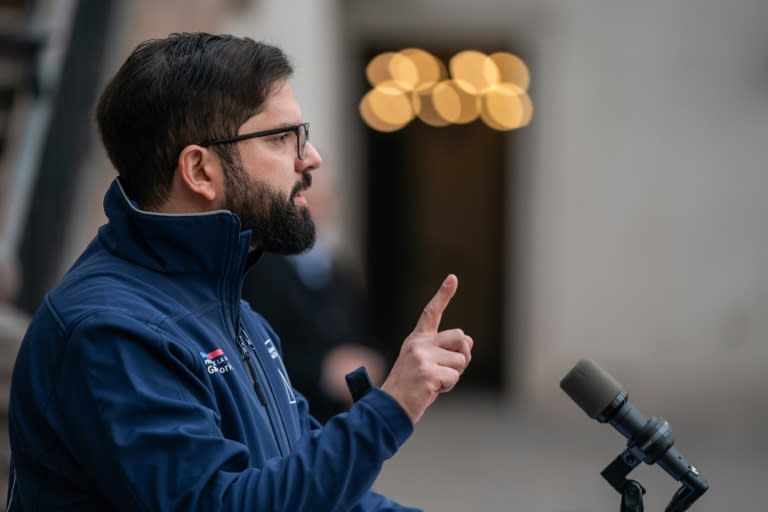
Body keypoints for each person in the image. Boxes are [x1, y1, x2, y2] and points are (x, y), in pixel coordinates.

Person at [6, 33, 473, 511]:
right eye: (278, 138)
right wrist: (391, 407)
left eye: (302, 135)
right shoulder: (110, 331)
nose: (310, 159)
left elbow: (311, 490)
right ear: (200, 171)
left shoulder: (229, 308)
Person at [242, 171, 387, 423]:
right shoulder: (258, 268)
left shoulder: (339, 270)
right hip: (284, 414)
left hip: (334, 417)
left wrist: (368, 360)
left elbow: (359, 332)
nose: (314, 207)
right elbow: (252, 345)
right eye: (306, 198)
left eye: (322, 199)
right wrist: (321, 372)